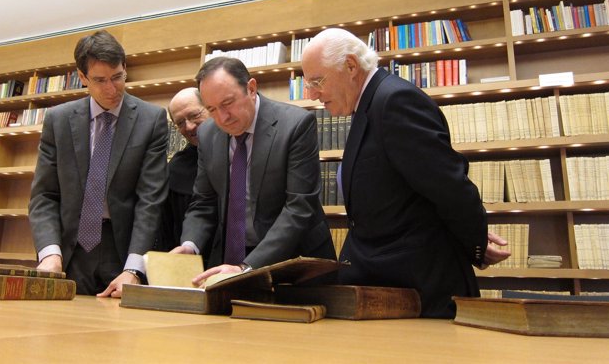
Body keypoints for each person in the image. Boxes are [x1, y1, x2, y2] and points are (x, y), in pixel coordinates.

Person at [301, 28, 510, 318]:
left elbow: (450, 187)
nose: (311, 94)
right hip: (389, 287)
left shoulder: (394, 100)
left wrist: (475, 242)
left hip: (419, 290)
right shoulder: (369, 105)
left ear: (351, 66)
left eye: (316, 81)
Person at [172, 57, 336, 284]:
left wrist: (247, 268)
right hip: (230, 262)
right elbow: (204, 202)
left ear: (251, 88)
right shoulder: (208, 133)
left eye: (227, 103)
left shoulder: (295, 125)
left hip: (294, 265)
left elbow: (299, 208)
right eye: (211, 109)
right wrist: (190, 245)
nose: (222, 117)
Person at [29, 30, 168, 297]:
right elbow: (44, 195)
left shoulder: (151, 120)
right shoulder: (58, 121)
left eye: (117, 77)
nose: (111, 89)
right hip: (68, 250)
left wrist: (135, 269)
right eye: (100, 80)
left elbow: (150, 200)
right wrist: (50, 253)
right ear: (82, 77)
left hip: (122, 252)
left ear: (125, 68)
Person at [157, 88, 210, 252]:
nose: (189, 126)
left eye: (195, 115)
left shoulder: (236, 153)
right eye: (180, 122)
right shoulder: (175, 168)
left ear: (211, 108)